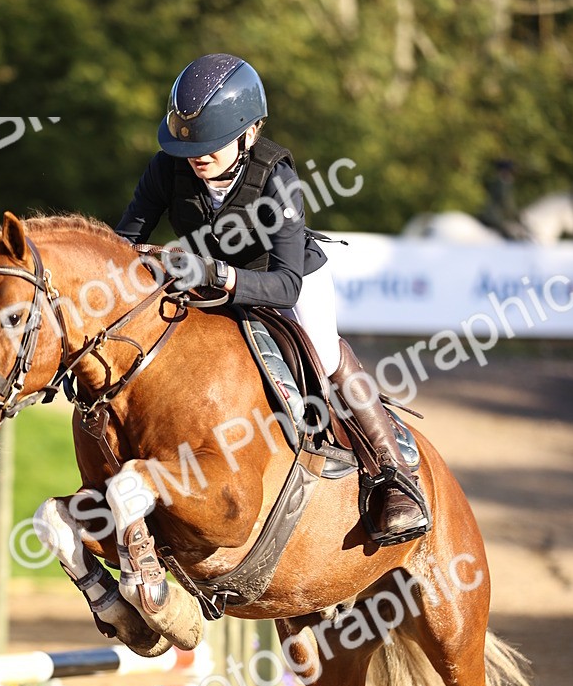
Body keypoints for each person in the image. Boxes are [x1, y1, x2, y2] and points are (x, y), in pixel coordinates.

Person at [116, 53, 428, 544]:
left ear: (249, 133)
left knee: (322, 354)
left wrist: (217, 273)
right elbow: (125, 241)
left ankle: (391, 476)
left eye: (212, 145)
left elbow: (287, 284)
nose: (197, 155)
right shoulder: (168, 166)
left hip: (283, 283)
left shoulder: (277, 179)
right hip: (206, 284)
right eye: (189, 144)